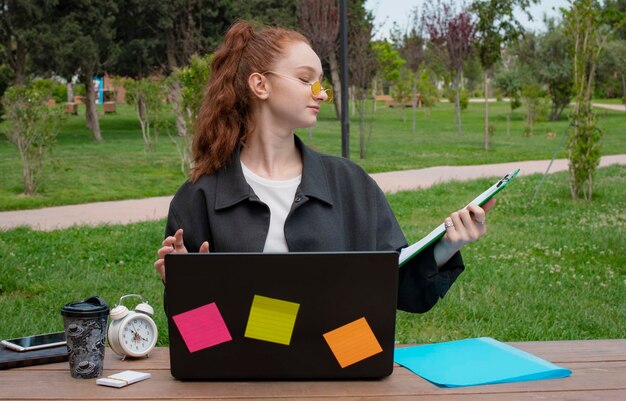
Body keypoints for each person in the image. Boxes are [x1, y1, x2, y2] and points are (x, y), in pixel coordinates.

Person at [154, 20, 495, 313]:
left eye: (322, 83)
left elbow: (397, 289)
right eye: (306, 80)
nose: (321, 94)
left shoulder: (350, 183)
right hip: (243, 372)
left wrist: (447, 246)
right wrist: (186, 288)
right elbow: (200, 339)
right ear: (260, 85)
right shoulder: (198, 197)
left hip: (346, 363)